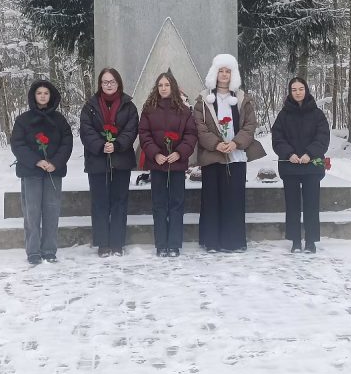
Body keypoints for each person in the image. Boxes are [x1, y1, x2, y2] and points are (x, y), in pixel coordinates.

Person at [194, 53, 266, 252]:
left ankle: (233, 242)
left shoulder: (242, 98)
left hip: (236, 156)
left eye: (228, 71)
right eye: (221, 71)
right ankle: (211, 242)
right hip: (212, 155)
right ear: (214, 73)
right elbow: (199, 127)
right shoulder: (203, 100)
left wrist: (235, 143)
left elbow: (250, 125)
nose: (224, 75)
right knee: (212, 199)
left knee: (234, 199)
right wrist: (216, 144)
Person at [10, 80, 73, 265]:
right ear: (33, 96)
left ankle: (49, 250)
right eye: (39, 93)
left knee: (52, 211)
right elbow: (18, 144)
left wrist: (55, 163)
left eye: (46, 93)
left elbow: (66, 143)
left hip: (53, 171)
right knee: (32, 212)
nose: (43, 96)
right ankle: (33, 251)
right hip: (31, 172)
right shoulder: (23, 120)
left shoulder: (60, 120)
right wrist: (36, 161)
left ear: (51, 96)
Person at [79, 68, 138, 257]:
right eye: (105, 82)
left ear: (118, 83)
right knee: (100, 203)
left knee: (119, 202)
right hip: (97, 161)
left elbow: (131, 129)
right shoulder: (90, 106)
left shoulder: (129, 106)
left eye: (112, 81)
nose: (109, 85)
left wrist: (117, 144)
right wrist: (101, 145)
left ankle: (117, 242)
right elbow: (86, 130)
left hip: (121, 160)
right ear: (100, 84)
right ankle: (103, 243)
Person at [138, 73, 198, 257]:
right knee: (159, 204)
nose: (163, 88)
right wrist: (155, 153)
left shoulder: (184, 111)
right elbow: (144, 134)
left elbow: (191, 135)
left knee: (176, 204)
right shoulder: (149, 109)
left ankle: (174, 244)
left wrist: (179, 153)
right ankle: (161, 244)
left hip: (177, 165)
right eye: (160, 85)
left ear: (173, 87)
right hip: (157, 165)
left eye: (166, 85)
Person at [270, 77, 330, 254]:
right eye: (294, 89)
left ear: (306, 90)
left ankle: (311, 240)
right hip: (291, 167)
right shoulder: (283, 115)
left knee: (311, 205)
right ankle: (295, 240)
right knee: (292, 206)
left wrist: (309, 153)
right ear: (290, 92)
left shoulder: (317, 114)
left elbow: (323, 138)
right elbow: (277, 139)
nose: (298, 92)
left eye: (301, 89)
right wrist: (289, 154)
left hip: (311, 167)